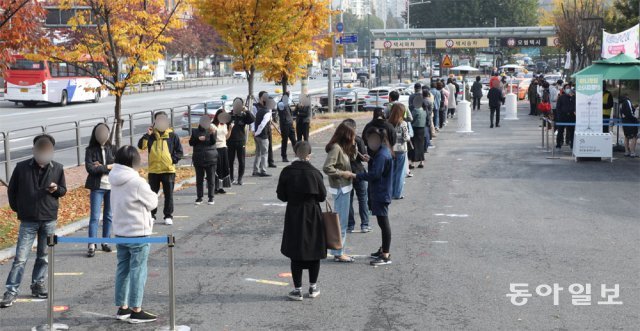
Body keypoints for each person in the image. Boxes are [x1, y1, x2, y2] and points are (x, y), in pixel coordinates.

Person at [1, 134, 66, 308]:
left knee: (43, 256)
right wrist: (18, 208)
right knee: (21, 258)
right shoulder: (22, 167)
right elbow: (12, 190)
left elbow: (63, 190)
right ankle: (11, 291)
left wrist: (56, 189)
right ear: (34, 150)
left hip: (49, 218)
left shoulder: (58, 168)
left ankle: (38, 284)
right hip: (28, 220)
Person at [109, 146, 158, 323]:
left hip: (121, 231)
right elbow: (153, 202)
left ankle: (122, 308)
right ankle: (136, 309)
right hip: (138, 232)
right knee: (138, 270)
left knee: (123, 269)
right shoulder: (137, 182)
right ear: (133, 161)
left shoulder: (113, 178)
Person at [277, 141, 327, 301]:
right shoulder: (315, 173)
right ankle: (313, 287)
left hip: (294, 212)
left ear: (295, 153)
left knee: (295, 251)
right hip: (312, 212)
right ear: (310, 154)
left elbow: (281, 195)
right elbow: (322, 196)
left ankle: (297, 289)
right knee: (314, 250)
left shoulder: (287, 172)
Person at [137, 111, 183, 225]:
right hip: (154, 170)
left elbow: (179, 151)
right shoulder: (151, 136)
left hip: (168, 170)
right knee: (152, 194)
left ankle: (168, 215)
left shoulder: (172, 136)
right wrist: (147, 134)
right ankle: (152, 215)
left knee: (169, 194)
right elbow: (141, 146)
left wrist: (172, 160)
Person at [358, 128, 393, 266]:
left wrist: (356, 175)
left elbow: (374, 175)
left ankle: (385, 254)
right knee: (381, 222)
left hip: (381, 193)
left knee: (384, 223)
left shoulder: (382, 154)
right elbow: (379, 170)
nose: (370, 142)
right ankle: (383, 249)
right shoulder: (382, 152)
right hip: (381, 192)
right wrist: (371, 161)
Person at [322, 123, 357, 263]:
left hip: (345, 186)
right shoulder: (336, 148)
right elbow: (327, 167)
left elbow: (353, 158)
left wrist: (354, 145)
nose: (355, 136)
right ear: (347, 135)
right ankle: (338, 252)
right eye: (353, 134)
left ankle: (339, 250)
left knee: (343, 220)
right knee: (341, 222)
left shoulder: (343, 147)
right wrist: (344, 173)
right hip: (341, 187)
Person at [85, 123, 115, 257]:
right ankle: (92, 243)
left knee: (109, 215)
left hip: (112, 186)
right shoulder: (90, 150)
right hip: (97, 186)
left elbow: (118, 165)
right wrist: (108, 166)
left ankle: (105, 242)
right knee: (95, 216)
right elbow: (91, 169)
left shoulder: (113, 148)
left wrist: (101, 166)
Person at [343, 119, 370, 234]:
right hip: (359, 171)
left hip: (345, 173)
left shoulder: (340, 141)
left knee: (348, 200)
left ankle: (350, 225)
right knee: (363, 199)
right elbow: (363, 156)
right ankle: (365, 224)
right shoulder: (358, 140)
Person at [189, 115, 218, 205]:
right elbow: (191, 143)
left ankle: (211, 197)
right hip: (198, 158)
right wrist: (198, 139)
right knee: (199, 179)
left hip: (211, 158)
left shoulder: (212, 130)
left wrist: (212, 134)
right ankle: (199, 197)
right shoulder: (195, 131)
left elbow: (213, 142)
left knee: (211, 178)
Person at [228, 97, 255, 186]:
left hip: (240, 141)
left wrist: (246, 111)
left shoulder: (243, 116)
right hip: (230, 141)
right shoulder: (229, 115)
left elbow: (252, 119)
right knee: (230, 161)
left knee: (241, 160)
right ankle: (231, 178)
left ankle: (240, 178)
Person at [388, 103, 410, 199]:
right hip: (401, 149)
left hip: (390, 150)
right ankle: (397, 193)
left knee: (391, 172)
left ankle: (390, 192)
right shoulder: (403, 124)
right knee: (400, 173)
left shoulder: (388, 123)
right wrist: (409, 137)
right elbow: (406, 138)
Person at [253, 91, 273, 177]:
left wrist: (255, 133)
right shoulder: (267, 112)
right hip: (263, 135)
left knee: (258, 153)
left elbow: (256, 122)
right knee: (264, 153)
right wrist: (257, 132)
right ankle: (263, 171)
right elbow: (262, 125)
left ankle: (255, 170)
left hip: (257, 136)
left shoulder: (259, 111)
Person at [213, 109, 232, 194]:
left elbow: (226, 137)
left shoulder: (224, 125)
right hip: (216, 148)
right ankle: (215, 187)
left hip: (224, 147)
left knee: (224, 167)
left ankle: (221, 187)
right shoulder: (213, 125)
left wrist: (230, 129)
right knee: (217, 168)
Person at [277, 92, 297, 162]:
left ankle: (298, 154)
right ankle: (284, 157)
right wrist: (289, 96)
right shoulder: (280, 104)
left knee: (294, 140)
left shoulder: (286, 103)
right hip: (284, 125)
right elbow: (286, 104)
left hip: (290, 124)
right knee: (284, 141)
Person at [555, 84, 576, 150]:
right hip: (562, 117)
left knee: (572, 132)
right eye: (566, 88)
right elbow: (558, 108)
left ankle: (572, 145)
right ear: (564, 89)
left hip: (571, 117)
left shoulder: (574, 97)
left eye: (569, 88)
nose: (568, 89)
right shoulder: (561, 97)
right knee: (560, 131)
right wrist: (559, 117)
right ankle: (558, 144)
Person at [409, 94, 426, 168]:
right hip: (422, 129)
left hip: (415, 128)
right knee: (421, 145)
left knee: (414, 146)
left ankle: (413, 163)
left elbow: (411, 119)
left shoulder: (415, 110)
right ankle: (422, 161)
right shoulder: (424, 109)